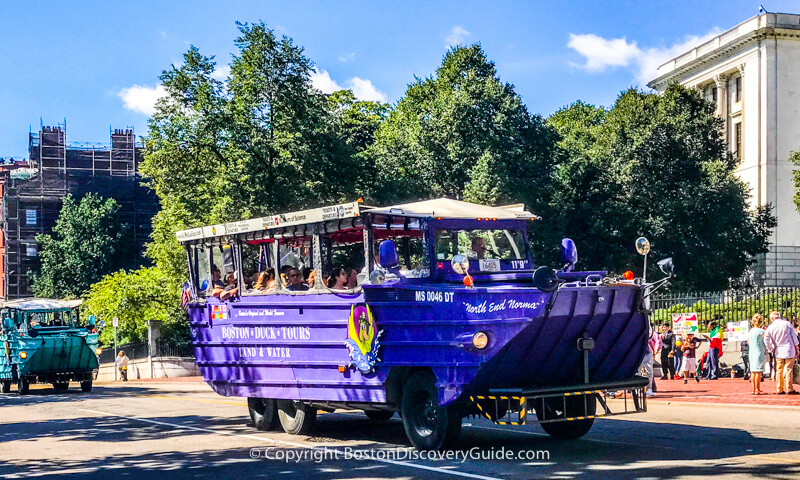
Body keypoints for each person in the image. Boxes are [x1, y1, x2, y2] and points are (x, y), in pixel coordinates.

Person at [763, 311, 800, 395]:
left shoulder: (771, 327)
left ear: (772, 318)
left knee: (779, 370)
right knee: (789, 369)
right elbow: (794, 336)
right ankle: (789, 388)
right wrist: (797, 347)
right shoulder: (787, 324)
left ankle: (779, 388)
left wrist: (770, 348)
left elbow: (766, 339)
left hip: (778, 350)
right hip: (789, 349)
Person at [748, 314, 767, 395]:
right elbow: (766, 341)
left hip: (752, 352)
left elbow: (748, 341)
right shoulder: (762, 331)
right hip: (759, 351)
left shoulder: (751, 331)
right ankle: (757, 389)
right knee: (758, 371)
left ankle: (753, 388)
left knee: (753, 371)